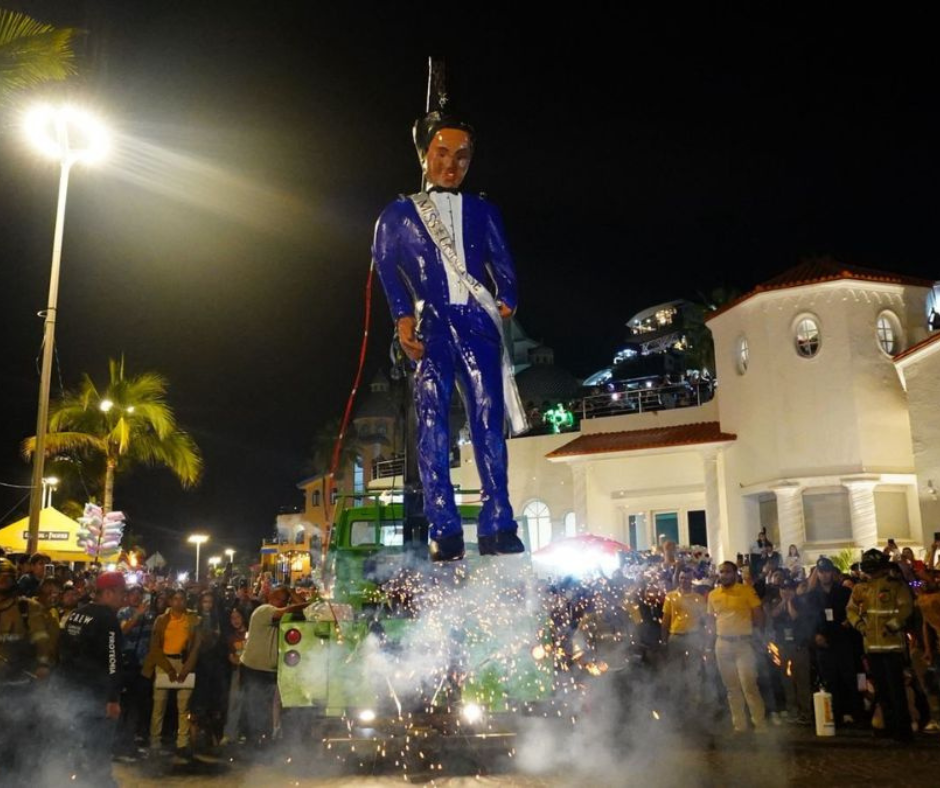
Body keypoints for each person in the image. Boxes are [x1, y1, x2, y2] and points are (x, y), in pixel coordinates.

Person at [372, 110, 526, 561]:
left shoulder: (484, 209)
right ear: (424, 156)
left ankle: (499, 522)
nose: (451, 165)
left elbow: (503, 263)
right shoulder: (398, 213)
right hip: (433, 325)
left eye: (461, 156)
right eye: (442, 153)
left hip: (478, 325)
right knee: (433, 421)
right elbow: (385, 266)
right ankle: (444, 526)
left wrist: (508, 298)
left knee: (488, 421)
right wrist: (402, 315)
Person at [57, 570, 127, 787]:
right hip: (97, 697)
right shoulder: (108, 619)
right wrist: (113, 699)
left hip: (72, 693)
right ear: (108, 593)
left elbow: (63, 653)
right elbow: (113, 661)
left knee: (76, 744)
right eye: (121, 594)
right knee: (98, 748)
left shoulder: (76, 615)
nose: (123, 600)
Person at [847, 548, 913, 741]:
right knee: (882, 691)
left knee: (896, 690)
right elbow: (850, 609)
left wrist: (893, 625)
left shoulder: (894, 585)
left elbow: (906, 607)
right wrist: (860, 625)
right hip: (872, 646)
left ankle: (903, 731)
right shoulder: (862, 588)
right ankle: (889, 728)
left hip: (892, 646)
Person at [0, 557, 54, 779]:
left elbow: (42, 640)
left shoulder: (27, 607)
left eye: (6, 578)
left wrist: (42, 664)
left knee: (20, 739)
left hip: (21, 684)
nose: (2, 582)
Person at [239, 584, 309, 745]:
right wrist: (308, 603)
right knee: (253, 706)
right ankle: (251, 742)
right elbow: (292, 610)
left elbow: (303, 613)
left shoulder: (280, 614)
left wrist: (292, 593)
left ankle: (263, 741)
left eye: (285, 600)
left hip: (268, 669)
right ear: (270, 598)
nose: (282, 603)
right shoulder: (264, 610)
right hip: (253, 668)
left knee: (267, 708)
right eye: (279, 599)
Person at [707, 560, 767, 733]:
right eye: (721, 572)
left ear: (735, 574)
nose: (723, 575)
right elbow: (711, 622)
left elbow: (758, 614)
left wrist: (758, 636)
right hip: (722, 644)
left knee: (749, 685)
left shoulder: (746, 591)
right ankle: (739, 725)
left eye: (727, 572)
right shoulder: (713, 595)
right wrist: (709, 646)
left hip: (743, 644)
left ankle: (759, 723)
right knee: (731, 688)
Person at [143, 588, 202, 761]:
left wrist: (186, 669)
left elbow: (196, 646)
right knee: (158, 705)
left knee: (183, 707)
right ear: (170, 601)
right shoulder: (161, 620)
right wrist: (168, 669)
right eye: (175, 599)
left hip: (184, 663)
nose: (178, 602)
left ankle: (182, 743)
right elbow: (155, 647)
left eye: (181, 599)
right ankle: (155, 743)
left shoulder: (193, 620)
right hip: (164, 663)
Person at [806, 556, 863, 727]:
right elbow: (807, 619)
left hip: (842, 639)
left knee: (848, 678)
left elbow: (854, 611)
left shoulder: (844, 592)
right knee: (829, 679)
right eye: (821, 572)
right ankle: (834, 715)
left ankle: (855, 713)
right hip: (824, 640)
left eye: (827, 572)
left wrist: (849, 622)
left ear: (832, 573)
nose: (824, 575)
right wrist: (815, 636)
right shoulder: (812, 596)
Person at [661, 566, 707, 709]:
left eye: (687, 578)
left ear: (691, 580)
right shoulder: (670, 596)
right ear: (678, 579)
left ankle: (695, 700)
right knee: (674, 670)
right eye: (681, 578)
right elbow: (666, 619)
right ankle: (676, 701)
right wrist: (664, 639)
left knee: (694, 670)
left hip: (693, 638)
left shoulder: (698, 598)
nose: (684, 581)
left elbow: (704, 621)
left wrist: (704, 639)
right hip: (676, 637)